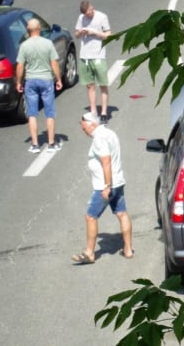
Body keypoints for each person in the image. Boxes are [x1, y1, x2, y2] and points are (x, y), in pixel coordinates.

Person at [71, 112, 133, 264]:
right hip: (118, 181)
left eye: (84, 125)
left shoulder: (99, 138)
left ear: (92, 123)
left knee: (91, 216)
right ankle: (128, 249)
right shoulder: (110, 133)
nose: (83, 129)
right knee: (122, 214)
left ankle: (89, 253)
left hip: (104, 185)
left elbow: (106, 161)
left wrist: (106, 186)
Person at [15, 18, 63, 153]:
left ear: (28, 30)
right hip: (46, 80)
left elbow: (20, 66)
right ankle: (51, 143)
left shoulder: (24, 46)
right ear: (39, 29)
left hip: (31, 80)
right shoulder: (48, 44)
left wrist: (19, 82)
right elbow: (54, 63)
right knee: (49, 113)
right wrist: (58, 79)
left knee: (32, 113)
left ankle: (35, 144)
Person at [75, 1, 111, 123]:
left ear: (92, 9)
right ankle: (93, 111)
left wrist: (94, 32)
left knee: (102, 84)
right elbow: (76, 34)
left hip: (98, 55)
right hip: (85, 56)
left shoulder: (102, 17)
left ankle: (104, 112)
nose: (88, 16)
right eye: (86, 14)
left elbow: (108, 35)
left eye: (89, 13)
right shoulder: (81, 18)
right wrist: (80, 32)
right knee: (90, 85)